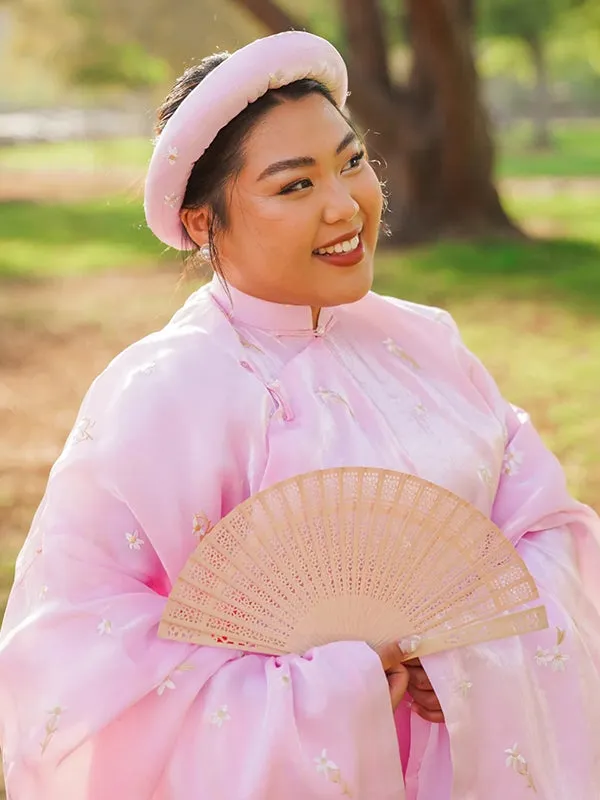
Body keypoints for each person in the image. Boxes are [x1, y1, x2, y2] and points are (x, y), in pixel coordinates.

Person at [0, 30, 599, 800]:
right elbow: (83, 655)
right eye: (294, 186)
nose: (346, 206)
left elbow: (545, 532)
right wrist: (331, 690)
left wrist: (464, 659)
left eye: (351, 163)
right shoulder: (162, 395)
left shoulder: (426, 343)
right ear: (199, 223)